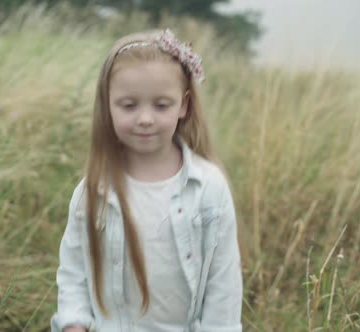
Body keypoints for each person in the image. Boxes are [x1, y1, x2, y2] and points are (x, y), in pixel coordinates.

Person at [51, 29, 243, 332]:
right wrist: (73, 323)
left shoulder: (208, 188)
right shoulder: (94, 190)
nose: (145, 119)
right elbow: (73, 270)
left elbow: (224, 283)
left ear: (184, 105)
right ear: (108, 105)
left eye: (161, 105)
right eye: (129, 105)